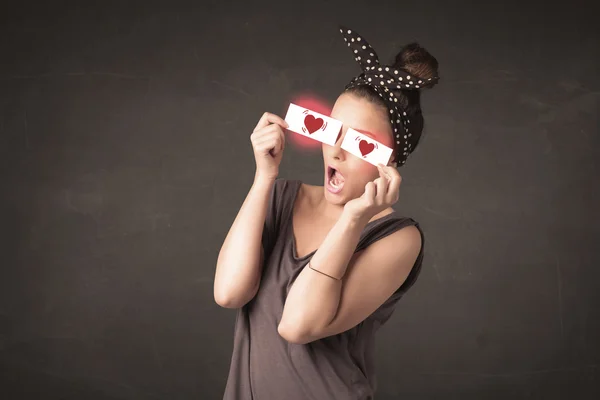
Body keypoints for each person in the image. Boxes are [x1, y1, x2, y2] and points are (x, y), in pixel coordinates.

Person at [214, 25, 440, 400]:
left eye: (359, 143)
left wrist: (353, 218)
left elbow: (298, 325)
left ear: (391, 163)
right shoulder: (280, 196)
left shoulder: (400, 238)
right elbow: (229, 292)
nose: (335, 152)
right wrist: (264, 177)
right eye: (332, 131)